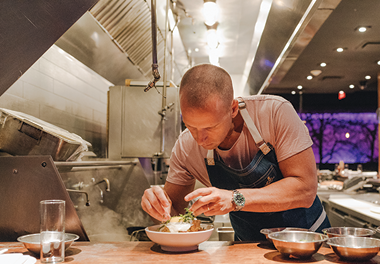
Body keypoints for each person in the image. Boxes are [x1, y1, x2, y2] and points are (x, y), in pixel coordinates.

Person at [141, 64, 330, 241]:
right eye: (191, 127)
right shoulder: (185, 147)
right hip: (246, 245)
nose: (200, 139)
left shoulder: (273, 112)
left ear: (232, 109)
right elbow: (174, 214)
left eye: (210, 127)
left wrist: (234, 199)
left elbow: (305, 189)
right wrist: (157, 206)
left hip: (305, 240)